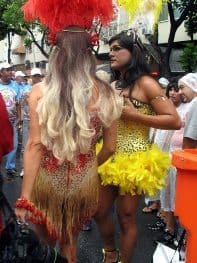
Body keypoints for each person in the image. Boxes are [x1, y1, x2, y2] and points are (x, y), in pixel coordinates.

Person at [14, 25, 123, 263]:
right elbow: (110, 147)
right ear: (88, 55)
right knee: (69, 244)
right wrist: (88, 165)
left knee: (45, 246)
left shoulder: (40, 91)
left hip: (47, 182)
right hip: (82, 184)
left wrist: (24, 198)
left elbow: (34, 145)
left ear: (57, 55)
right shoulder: (107, 93)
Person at [94, 31, 181, 263]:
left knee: (126, 217)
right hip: (108, 155)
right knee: (99, 211)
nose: (110, 53)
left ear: (132, 53)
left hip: (135, 160)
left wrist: (135, 115)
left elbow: (174, 120)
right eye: (109, 48)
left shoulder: (147, 84)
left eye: (116, 48)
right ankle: (110, 252)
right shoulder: (113, 84)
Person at [0, 63, 21, 180]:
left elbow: (17, 104)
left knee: (13, 144)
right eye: (7, 70)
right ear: (1, 72)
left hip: (12, 121)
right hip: (1, 122)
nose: (10, 72)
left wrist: (19, 117)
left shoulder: (15, 86)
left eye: (10, 70)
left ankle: (10, 167)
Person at [179, 73, 197, 149]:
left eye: (182, 87)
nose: (180, 92)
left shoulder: (196, 103)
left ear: (193, 85)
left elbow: (190, 141)